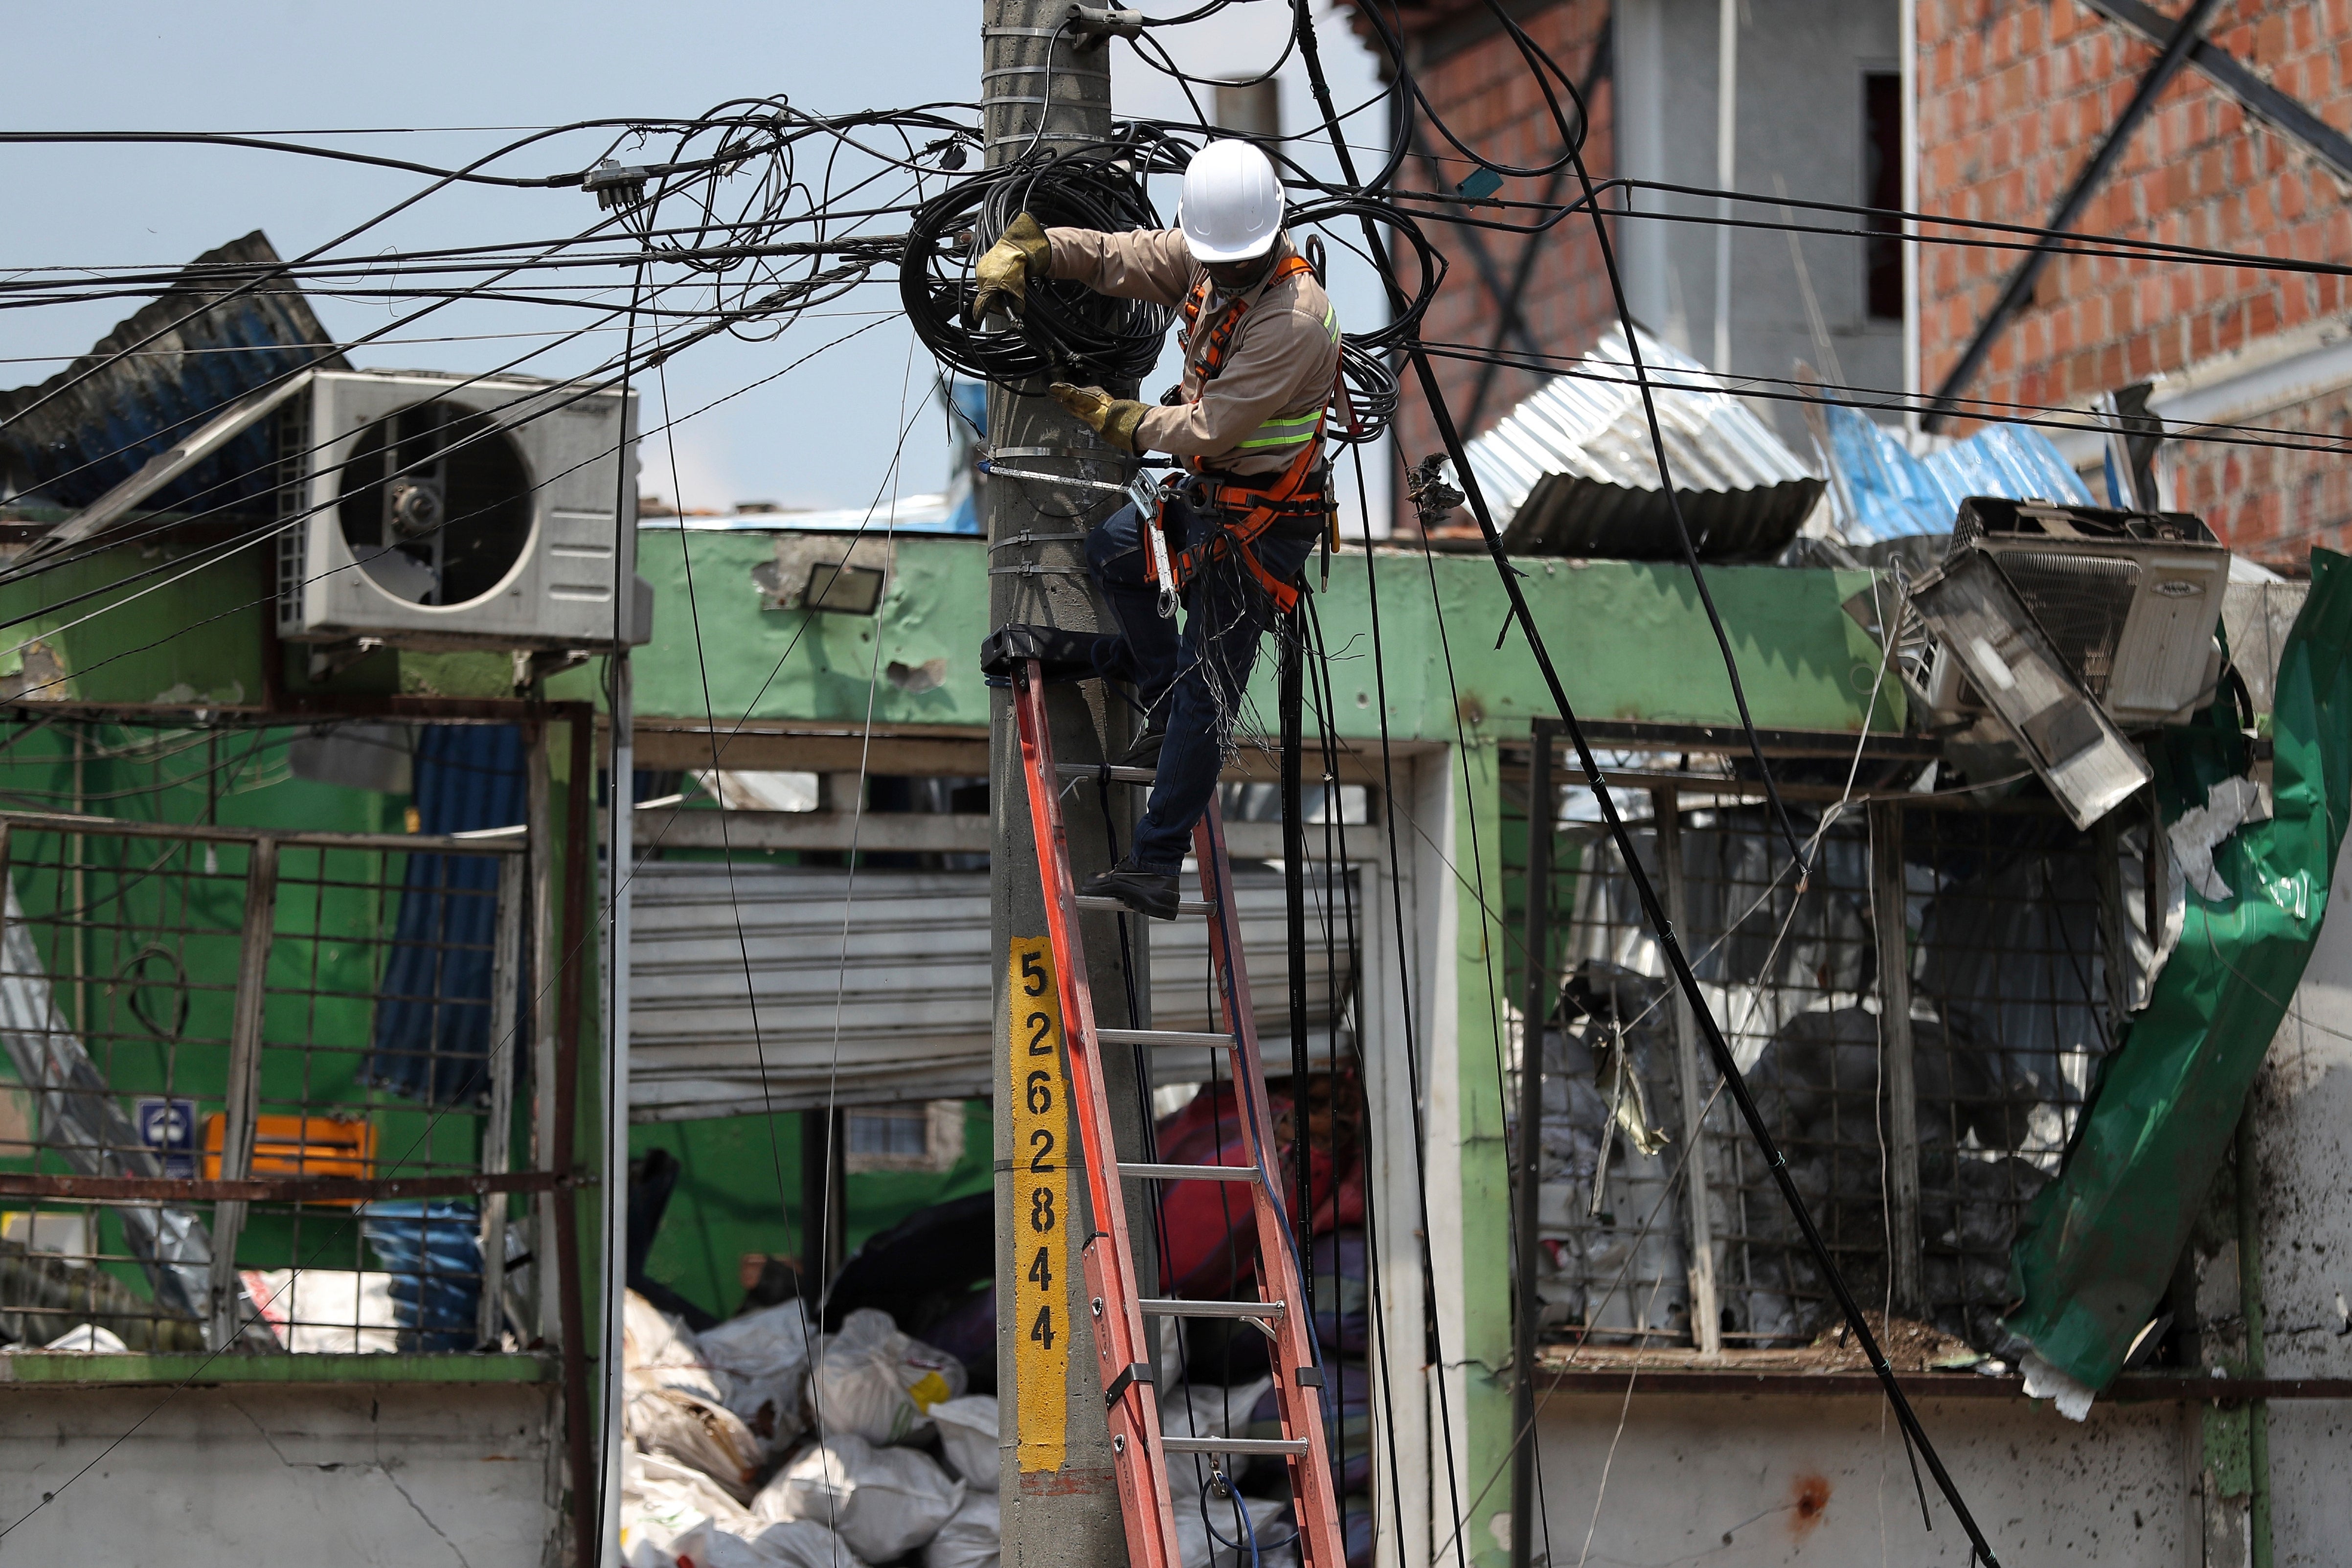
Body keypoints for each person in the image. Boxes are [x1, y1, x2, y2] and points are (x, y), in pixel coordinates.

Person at [971, 139, 1341, 920]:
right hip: (1217, 497)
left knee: (1210, 688)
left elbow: (1208, 425)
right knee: (1114, 552)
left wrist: (1123, 420)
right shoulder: (1211, 258)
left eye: (1234, 262)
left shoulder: (1295, 318)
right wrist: (1035, 250)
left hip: (1266, 522)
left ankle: (1155, 864)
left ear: (1268, 241)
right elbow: (1119, 257)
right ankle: (1161, 694)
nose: (1222, 273)